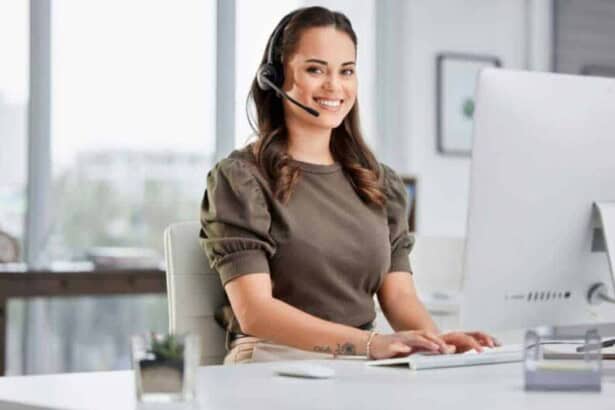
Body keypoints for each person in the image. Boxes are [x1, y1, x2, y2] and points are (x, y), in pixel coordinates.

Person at [200, 6, 497, 365]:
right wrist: (370, 344)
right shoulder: (242, 179)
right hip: (274, 357)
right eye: (315, 69)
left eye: (347, 71)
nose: (333, 86)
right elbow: (256, 312)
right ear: (275, 79)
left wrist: (436, 344)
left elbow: (399, 297)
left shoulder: (378, 183)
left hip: (360, 360)